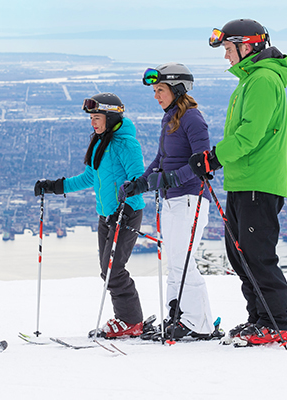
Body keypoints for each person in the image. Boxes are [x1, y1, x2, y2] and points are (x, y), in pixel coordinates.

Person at [189, 18, 287, 345]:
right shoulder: (250, 80)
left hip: (258, 183)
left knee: (256, 254)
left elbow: (250, 135)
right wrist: (217, 159)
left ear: (247, 45)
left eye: (227, 49)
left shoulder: (263, 80)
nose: (226, 57)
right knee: (240, 255)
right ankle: (260, 319)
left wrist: (214, 157)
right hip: (243, 182)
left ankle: (278, 322)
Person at [34, 93, 146, 338]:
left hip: (126, 214)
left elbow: (138, 181)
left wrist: (125, 210)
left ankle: (130, 321)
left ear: (111, 116)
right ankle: (126, 319)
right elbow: (88, 178)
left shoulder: (126, 144)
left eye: (97, 117)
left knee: (114, 269)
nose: (93, 123)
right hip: (106, 215)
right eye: (92, 118)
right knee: (107, 270)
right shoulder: (100, 142)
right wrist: (55, 186)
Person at [122, 62, 216, 340]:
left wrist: (173, 179)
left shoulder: (192, 118)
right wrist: (140, 183)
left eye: (160, 89)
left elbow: (205, 162)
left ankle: (200, 323)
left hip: (191, 198)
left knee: (181, 261)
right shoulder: (171, 118)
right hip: (173, 200)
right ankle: (179, 315)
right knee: (174, 261)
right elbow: (161, 160)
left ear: (177, 89)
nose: (155, 95)